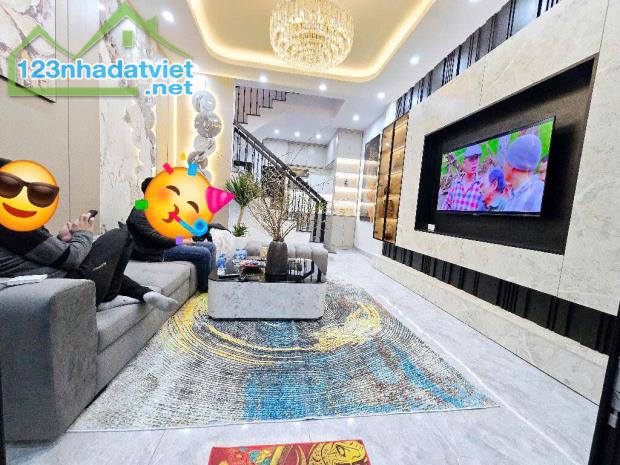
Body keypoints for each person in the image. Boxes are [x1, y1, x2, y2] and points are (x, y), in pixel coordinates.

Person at [0, 158, 177, 311]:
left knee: (197, 250)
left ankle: (144, 293)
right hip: (151, 252)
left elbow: (38, 257)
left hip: (161, 248)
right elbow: (149, 235)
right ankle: (111, 297)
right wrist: (178, 241)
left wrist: (61, 239)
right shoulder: (141, 206)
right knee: (121, 235)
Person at [126, 177, 216, 293]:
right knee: (203, 253)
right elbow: (154, 237)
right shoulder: (139, 211)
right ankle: (206, 288)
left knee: (210, 246)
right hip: (154, 251)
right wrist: (180, 241)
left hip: (165, 245)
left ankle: (213, 282)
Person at [502, 134, 545, 213]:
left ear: (512, 164)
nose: (503, 165)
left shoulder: (537, 197)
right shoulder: (514, 193)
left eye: (506, 159)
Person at [441, 145, 483, 211]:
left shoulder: (482, 185)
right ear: (464, 163)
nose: (475, 163)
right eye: (471, 159)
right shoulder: (455, 184)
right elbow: (446, 206)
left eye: (476, 158)